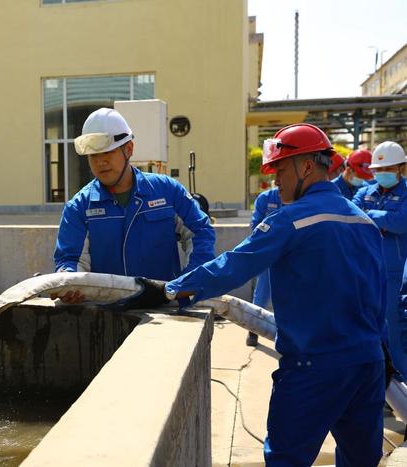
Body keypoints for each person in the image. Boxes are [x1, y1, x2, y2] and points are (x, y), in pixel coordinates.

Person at [163, 123, 386, 466]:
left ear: (307, 166)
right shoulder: (365, 222)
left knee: (286, 460)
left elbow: (234, 265)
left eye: (280, 169)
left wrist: (173, 290)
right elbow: (379, 295)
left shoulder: (292, 220)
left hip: (314, 367)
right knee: (360, 461)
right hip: (368, 365)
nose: (275, 179)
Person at [52, 108, 215, 304]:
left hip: (164, 310)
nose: (100, 162)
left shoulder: (167, 191)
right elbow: (71, 259)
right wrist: (70, 282)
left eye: (108, 152)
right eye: (93, 156)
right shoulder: (79, 207)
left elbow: (200, 232)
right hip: (106, 314)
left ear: (128, 149)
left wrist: (189, 280)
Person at [353, 141, 407, 379]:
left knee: (394, 333)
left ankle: (400, 386)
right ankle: (377, 384)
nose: (382, 174)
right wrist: (386, 219)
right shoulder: (365, 192)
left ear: (401, 168)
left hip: (395, 274)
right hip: (364, 271)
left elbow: (402, 222)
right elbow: (352, 217)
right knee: (366, 328)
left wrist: (373, 216)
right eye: (378, 170)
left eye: (388, 169)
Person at [244, 186, 281, 347]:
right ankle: (253, 330)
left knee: (288, 296)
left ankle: (285, 334)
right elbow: (256, 225)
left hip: (290, 254)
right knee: (261, 294)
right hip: (268, 252)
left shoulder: (297, 197)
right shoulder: (265, 198)